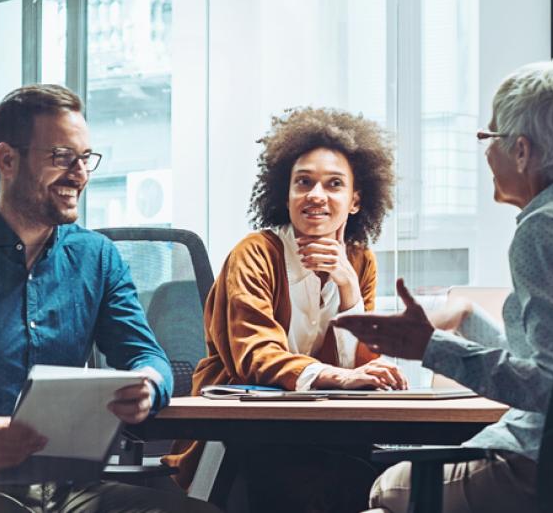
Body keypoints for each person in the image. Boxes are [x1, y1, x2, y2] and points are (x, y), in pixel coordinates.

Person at [337, 60, 553, 513]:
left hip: (547, 469)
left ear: (521, 150)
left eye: (488, 137)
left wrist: (429, 347)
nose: (484, 151)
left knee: (388, 487)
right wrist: (469, 321)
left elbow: (550, 389)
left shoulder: (545, 229)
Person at [0, 84, 219, 513]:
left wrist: (150, 384)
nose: (80, 173)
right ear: (6, 159)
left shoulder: (97, 258)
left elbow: (147, 354)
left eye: (85, 158)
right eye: (60, 157)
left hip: (66, 487)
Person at [164, 106, 405, 511]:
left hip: (320, 430)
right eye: (303, 183)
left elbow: (361, 362)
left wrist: (347, 287)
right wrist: (338, 377)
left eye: (333, 185)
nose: (316, 195)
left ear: (355, 200)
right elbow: (256, 355)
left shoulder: (360, 262)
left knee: (382, 474)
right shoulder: (255, 255)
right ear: (286, 193)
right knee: (323, 481)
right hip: (246, 435)